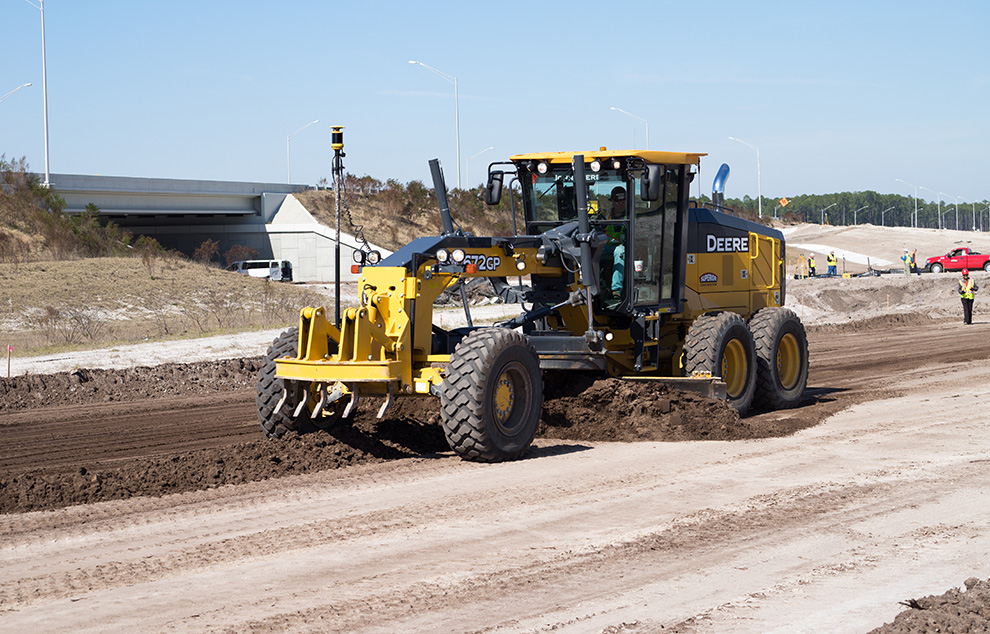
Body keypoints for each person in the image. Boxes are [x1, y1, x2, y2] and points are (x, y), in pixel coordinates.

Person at [602, 186, 627, 297]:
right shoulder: (604, 214)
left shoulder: (632, 215)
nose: (620, 204)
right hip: (606, 246)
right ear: (612, 202)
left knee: (620, 252)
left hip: (623, 246)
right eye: (617, 201)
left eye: (623, 201)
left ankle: (616, 289)